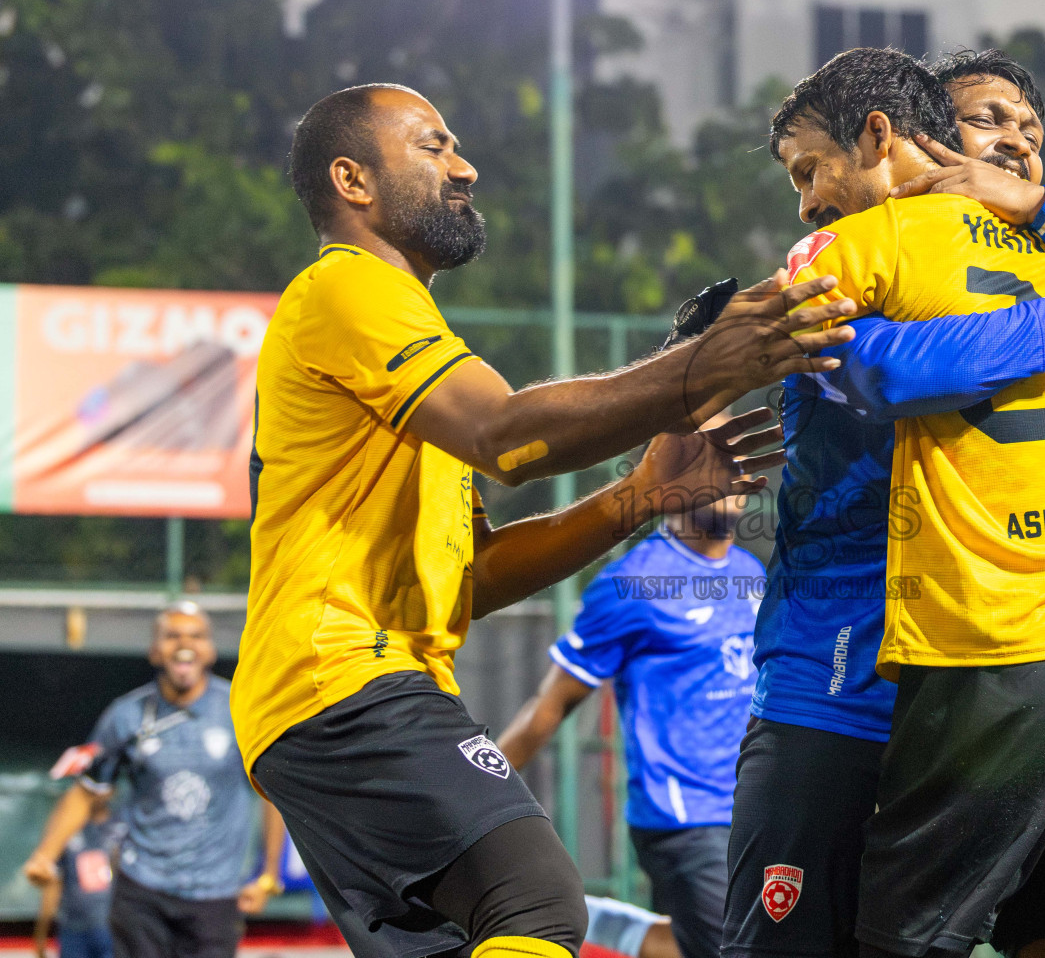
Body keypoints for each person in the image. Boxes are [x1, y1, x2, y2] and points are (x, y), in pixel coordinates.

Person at [233, 82, 855, 958]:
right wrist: (694, 370)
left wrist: (635, 498)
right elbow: (506, 435)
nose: (466, 166)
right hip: (341, 679)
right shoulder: (349, 291)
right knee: (536, 903)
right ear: (353, 180)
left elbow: (474, 575)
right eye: (434, 146)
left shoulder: (399, 347)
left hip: (325, 697)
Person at [767, 46, 1045, 958]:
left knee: (905, 936)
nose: (1012, 139)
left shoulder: (882, 247)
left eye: (1029, 128)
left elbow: (874, 371)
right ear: (927, 133)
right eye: (986, 120)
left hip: (991, 650)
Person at [497, 487, 765, 958]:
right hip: (683, 814)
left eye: (738, 464)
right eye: (710, 459)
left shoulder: (751, 572)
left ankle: (592, 919)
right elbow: (550, 704)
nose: (729, 477)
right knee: (741, 950)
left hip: (756, 808)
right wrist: (473, 802)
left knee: (729, 943)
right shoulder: (632, 582)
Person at [23, 602, 286, 958]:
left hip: (215, 895)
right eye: (172, 635)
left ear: (210, 649)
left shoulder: (239, 710)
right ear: (154, 650)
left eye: (195, 635)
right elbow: (87, 791)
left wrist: (267, 871)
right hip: (143, 889)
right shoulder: (126, 715)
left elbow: (272, 795)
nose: (183, 643)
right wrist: (45, 855)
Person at [32, 791, 123, 958]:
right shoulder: (67, 831)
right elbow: (54, 882)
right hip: (73, 928)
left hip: (112, 927)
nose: (97, 793)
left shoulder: (122, 828)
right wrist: (42, 931)